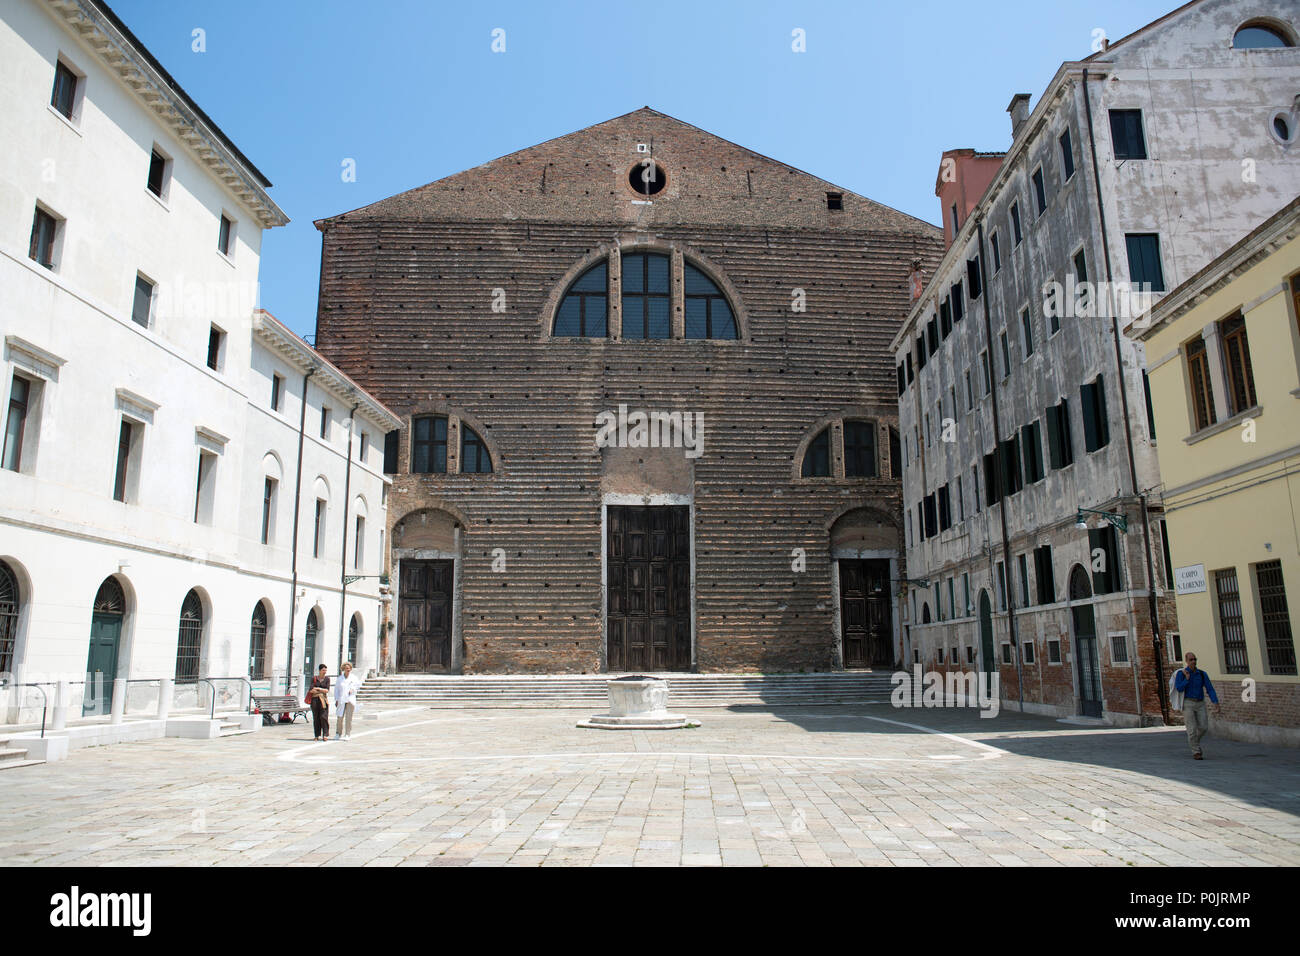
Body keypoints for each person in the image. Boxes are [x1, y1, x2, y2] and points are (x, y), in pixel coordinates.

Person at [1174, 652, 1220, 759]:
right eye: (1191, 659)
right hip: (1188, 703)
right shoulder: (1181, 674)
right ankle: (1196, 751)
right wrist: (1187, 679)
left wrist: (1215, 701)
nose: (1193, 661)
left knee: (1203, 727)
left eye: (1195, 659)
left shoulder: (1202, 674)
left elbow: (1209, 688)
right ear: (1186, 661)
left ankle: (1194, 742)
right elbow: (1179, 688)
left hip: (1200, 702)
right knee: (1191, 729)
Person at [333, 661, 360, 740]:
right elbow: (336, 690)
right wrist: (336, 699)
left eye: (349, 668)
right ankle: (338, 733)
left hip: (350, 699)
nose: (347, 670)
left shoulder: (354, 678)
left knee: (348, 718)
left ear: (351, 669)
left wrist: (353, 689)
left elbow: (358, 685)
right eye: (346, 668)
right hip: (341, 699)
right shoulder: (340, 679)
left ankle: (347, 734)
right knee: (340, 717)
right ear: (343, 669)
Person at [307, 664, 330, 742]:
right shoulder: (314, 678)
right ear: (319, 670)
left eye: (325, 670)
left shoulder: (327, 679)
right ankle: (316, 735)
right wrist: (320, 690)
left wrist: (318, 688)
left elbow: (327, 690)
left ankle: (325, 734)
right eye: (323, 670)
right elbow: (311, 690)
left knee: (324, 717)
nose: (325, 672)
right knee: (316, 717)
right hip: (315, 700)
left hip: (323, 700)